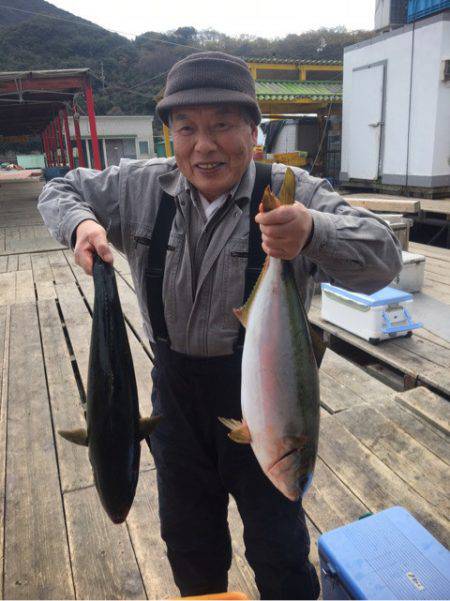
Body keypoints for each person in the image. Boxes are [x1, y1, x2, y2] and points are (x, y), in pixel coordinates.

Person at [38, 51, 402, 600]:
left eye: (223, 126)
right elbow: (57, 189)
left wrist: (314, 232)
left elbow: (385, 258)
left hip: (270, 401)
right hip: (175, 404)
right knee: (188, 542)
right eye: (187, 129)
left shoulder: (292, 189)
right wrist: (82, 223)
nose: (204, 146)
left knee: (279, 548)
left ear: (254, 131)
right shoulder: (139, 186)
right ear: (170, 136)